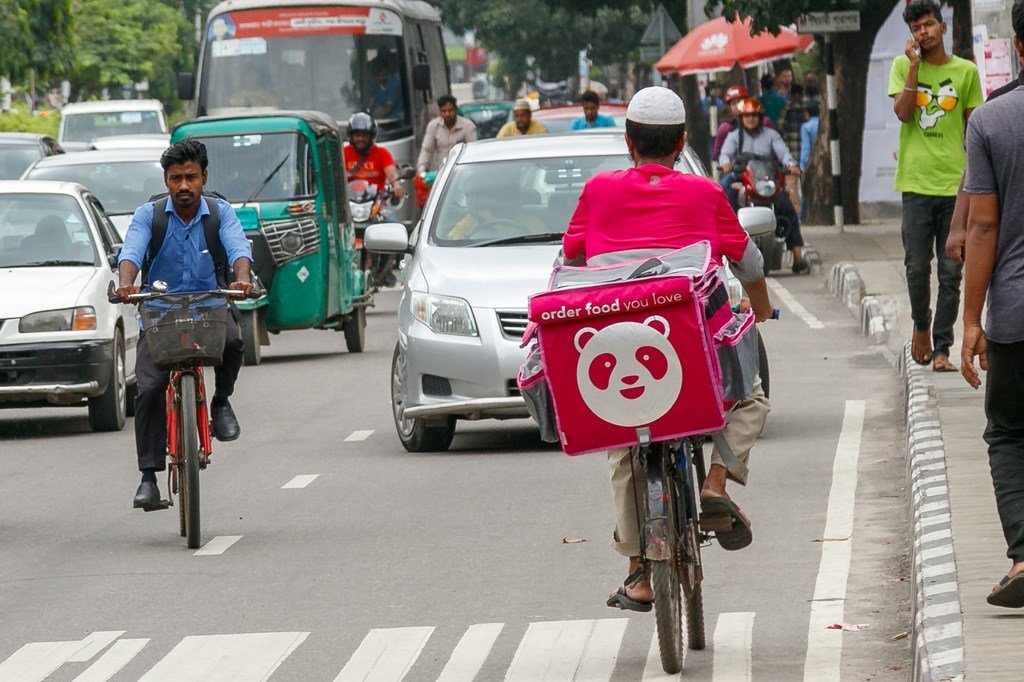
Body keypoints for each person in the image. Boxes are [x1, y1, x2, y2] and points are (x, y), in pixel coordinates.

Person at [562, 86, 773, 612]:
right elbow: (750, 265)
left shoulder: (598, 191)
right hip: (689, 347)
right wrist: (761, 309)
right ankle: (718, 483)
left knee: (624, 440)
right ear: (681, 143)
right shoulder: (704, 193)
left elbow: (572, 254)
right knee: (749, 397)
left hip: (616, 347)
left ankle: (636, 570)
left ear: (628, 142)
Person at [116, 139, 254, 511]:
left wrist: (242, 278)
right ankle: (149, 477)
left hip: (210, 309)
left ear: (204, 177)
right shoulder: (150, 215)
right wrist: (127, 283)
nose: (183, 186)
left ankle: (221, 402)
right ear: (166, 180)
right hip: (159, 315)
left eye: (191, 177)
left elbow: (239, 249)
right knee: (147, 388)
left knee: (233, 342)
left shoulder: (220, 212)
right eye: (176, 178)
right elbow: (131, 252)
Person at [960, 0, 1024, 609]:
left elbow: (982, 227)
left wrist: (969, 320)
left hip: (1015, 314)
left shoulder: (990, 121)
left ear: (1019, 48)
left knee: (1008, 433)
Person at [888, 0, 981, 371]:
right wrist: (913, 67)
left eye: (928, 25)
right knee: (915, 266)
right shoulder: (902, 66)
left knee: (950, 269)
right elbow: (903, 113)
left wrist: (977, 181)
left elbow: (975, 132)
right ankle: (922, 326)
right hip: (915, 184)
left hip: (956, 186)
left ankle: (942, 347)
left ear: (943, 27)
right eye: (916, 28)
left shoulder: (966, 72)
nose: (922, 33)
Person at [719, 97, 808, 273]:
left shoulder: (771, 135)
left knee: (788, 207)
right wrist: (725, 163)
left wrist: (790, 164)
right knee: (724, 199)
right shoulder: (734, 136)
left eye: (754, 115)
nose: (751, 119)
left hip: (766, 181)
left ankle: (798, 257)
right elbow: (725, 154)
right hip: (741, 179)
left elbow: (783, 153)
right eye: (747, 115)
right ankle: (725, 250)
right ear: (741, 118)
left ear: (760, 117)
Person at [344, 112, 406, 286]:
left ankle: (384, 268)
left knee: (392, 228)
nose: (361, 139)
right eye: (357, 135)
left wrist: (396, 185)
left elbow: (392, 174)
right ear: (351, 136)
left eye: (364, 135)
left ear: (371, 137)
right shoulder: (343, 153)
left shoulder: (382, 154)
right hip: (349, 205)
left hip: (377, 204)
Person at [416, 94, 477, 177]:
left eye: (450, 110)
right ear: (440, 111)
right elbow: (427, 150)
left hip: (462, 174)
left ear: (456, 109)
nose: (447, 114)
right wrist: (421, 171)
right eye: (444, 111)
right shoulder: (433, 126)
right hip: (440, 174)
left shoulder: (468, 126)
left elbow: (473, 152)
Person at [712, 85, 775, 163]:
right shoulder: (725, 128)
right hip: (737, 171)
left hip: (765, 169)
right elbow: (717, 155)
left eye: (739, 101)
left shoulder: (765, 122)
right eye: (733, 103)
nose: (737, 106)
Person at [799, 100, 820, 220]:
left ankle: (803, 217)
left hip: (810, 164)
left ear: (807, 114)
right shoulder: (822, 124)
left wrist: (803, 165)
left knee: (805, 191)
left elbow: (806, 148)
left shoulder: (806, 127)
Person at [367, 55, 404, 121]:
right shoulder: (375, 86)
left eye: (381, 75)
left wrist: (370, 120)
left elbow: (388, 108)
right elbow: (371, 103)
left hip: (396, 119)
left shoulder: (395, 83)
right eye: (376, 76)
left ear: (385, 74)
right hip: (380, 119)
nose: (378, 79)